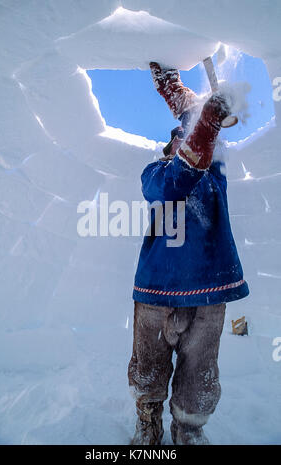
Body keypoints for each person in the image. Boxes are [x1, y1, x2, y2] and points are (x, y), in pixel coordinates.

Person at [128, 62, 249, 445]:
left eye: (196, 132)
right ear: (169, 147)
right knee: (148, 366)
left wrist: (172, 86)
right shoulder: (156, 173)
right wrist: (208, 118)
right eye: (182, 137)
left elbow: (195, 123)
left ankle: (189, 430)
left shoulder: (217, 168)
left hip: (211, 291)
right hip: (156, 291)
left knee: (200, 372)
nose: (193, 138)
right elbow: (181, 175)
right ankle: (148, 422)